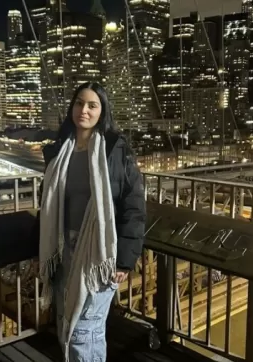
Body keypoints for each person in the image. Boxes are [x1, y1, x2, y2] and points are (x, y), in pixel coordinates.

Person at [37, 82, 146, 362]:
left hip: (99, 254)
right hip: (63, 249)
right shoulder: (60, 150)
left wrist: (124, 258)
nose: (83, 110)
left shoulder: (114, 150)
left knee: (84, 331)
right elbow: (48, 204)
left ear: (102, 111)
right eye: (78, 103)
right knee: (66, 323)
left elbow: (133, 205)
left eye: (92, 105)